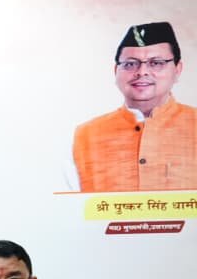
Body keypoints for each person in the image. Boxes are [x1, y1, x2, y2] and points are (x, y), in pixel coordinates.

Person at [72, 21, 195, 191]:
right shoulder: (85, 136)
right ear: (116, 71)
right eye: (130, 64)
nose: (142, 72)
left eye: (156, 63)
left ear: (177, 69)